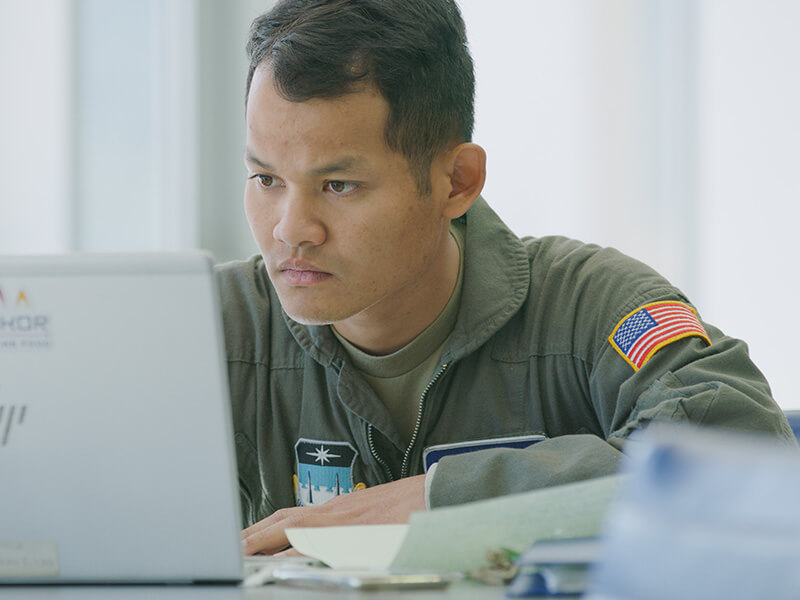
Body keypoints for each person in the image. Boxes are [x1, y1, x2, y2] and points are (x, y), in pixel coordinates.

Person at [217, 0, 794, 556]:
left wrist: (442, 498)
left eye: (339, 185)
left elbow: (749, 459)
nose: (292, 230)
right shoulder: (208, 326)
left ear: (458, 181)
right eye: (265, 179)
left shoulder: (595, 306)